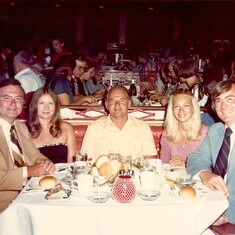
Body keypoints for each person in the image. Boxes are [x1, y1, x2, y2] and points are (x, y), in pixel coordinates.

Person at [0, 79, 55, 213]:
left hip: (29, 196)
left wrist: (45, 162)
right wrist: (29, 171)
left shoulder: (20, 127)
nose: (13, 103)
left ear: (23, 103)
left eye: (18, 98)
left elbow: (34, 155)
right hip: (6, 205)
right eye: (6, 98)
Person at [187, 80, 235, 225]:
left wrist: (229, 216)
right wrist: (205, 174)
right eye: (218, 101)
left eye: (230, 99)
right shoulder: (216, 130)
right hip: (215, 205)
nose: (223, 106)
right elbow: (195, 158)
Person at [80, 85, 157, 160]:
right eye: (112, 101)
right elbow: (84, 161)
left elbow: (151, 161)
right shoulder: (94, 127)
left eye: (122, 100)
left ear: (129, 104)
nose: (117, 105)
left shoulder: (143, 127)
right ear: (106, 105)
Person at [26, 87, 77, 163]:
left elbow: (73, 162)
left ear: (56, 106)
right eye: (41, 103)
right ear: (35, 106)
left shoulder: (67, 128)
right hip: (37, 174)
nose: (46, 108)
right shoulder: (25, 131)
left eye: (50, 103)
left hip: (63, 174)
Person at [160, 89, 208, 167]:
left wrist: (186, 165)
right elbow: (163, 164)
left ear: (193, 108)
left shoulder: (205, 133)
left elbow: (211, 166)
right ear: (171, 109)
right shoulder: (167, 134)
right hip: (175, 178)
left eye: (186, 105)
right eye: (176, 106)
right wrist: (170, 163)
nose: (181, 110)